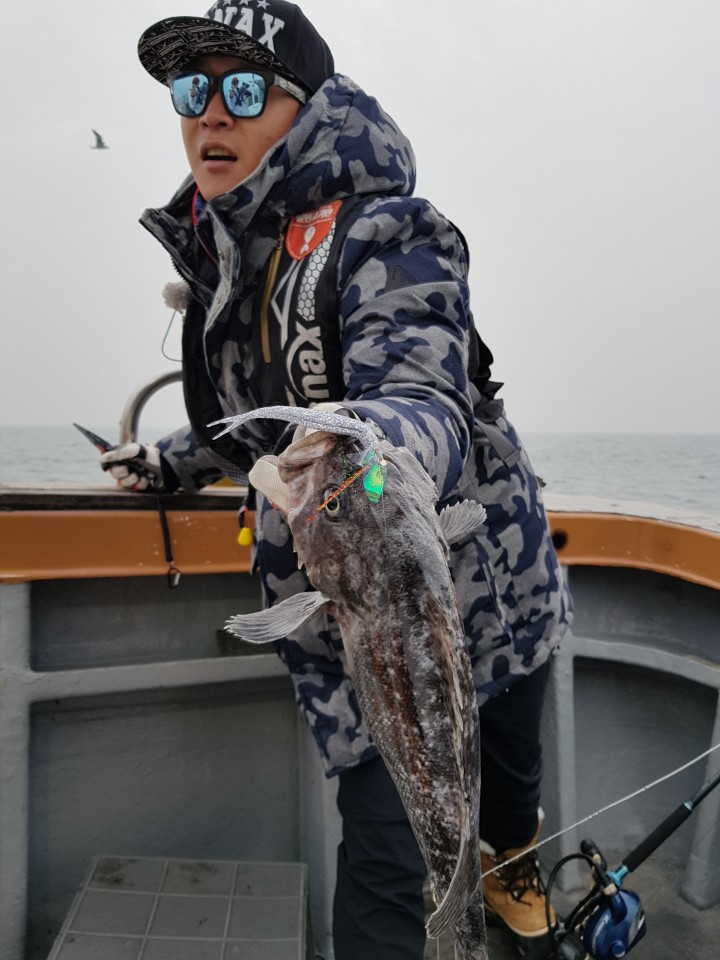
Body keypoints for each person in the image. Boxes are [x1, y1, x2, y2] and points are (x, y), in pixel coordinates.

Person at [101, 3, 573, 957]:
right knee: (391, 862)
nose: (211, 114)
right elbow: (258, 424)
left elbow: (419, 390)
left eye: (243, 89)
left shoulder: (392, 232)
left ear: (305, 109)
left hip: (488, 587)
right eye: (192, 90)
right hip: (351, 614)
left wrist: (374, 450)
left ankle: (513, 857)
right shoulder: (227, 269)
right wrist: (165, 464)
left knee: (507, 783)